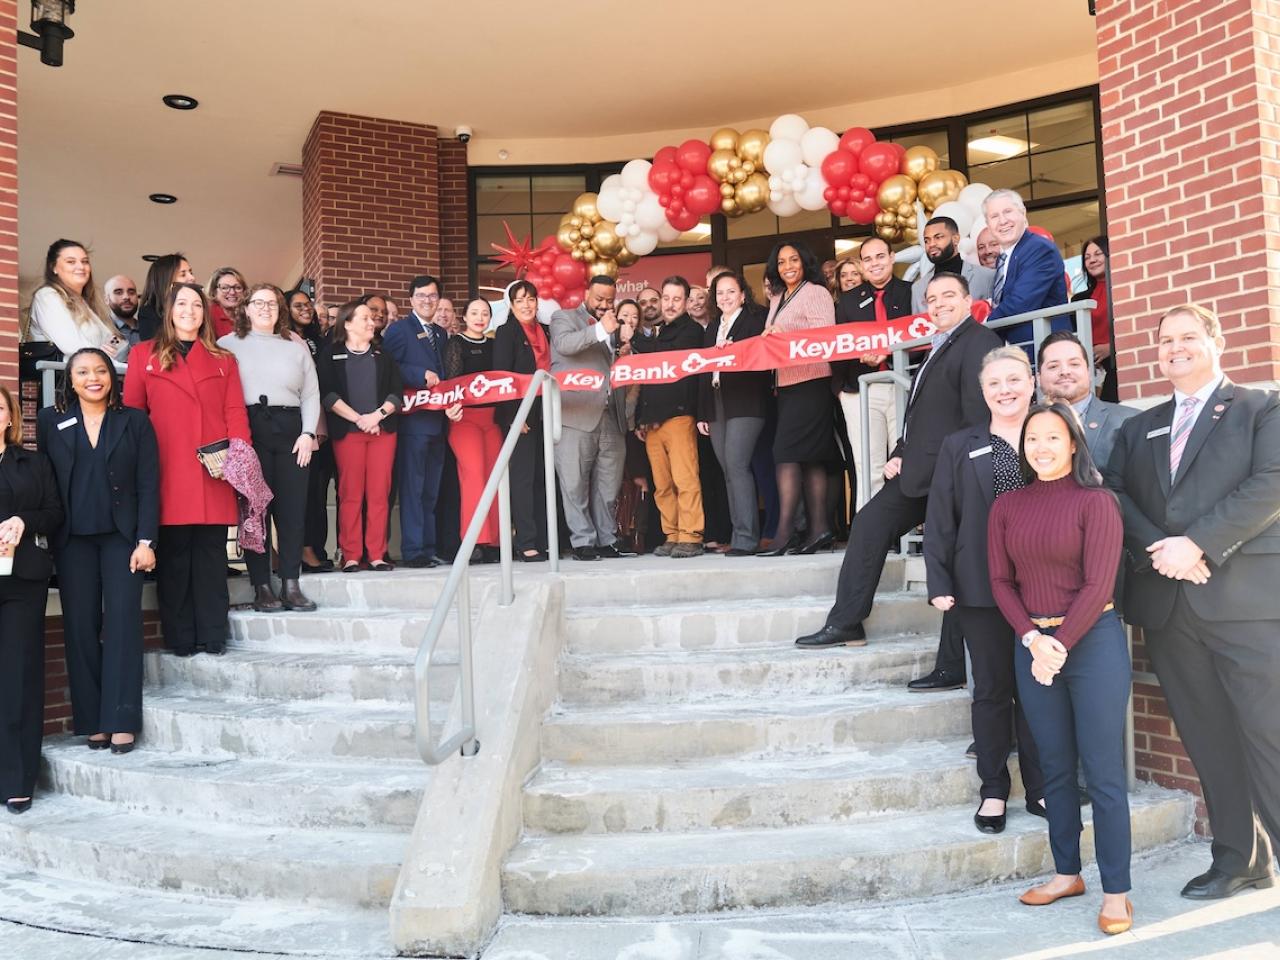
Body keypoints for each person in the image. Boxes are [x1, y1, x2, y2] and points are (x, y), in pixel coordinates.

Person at [1105, 303, 1280, 903]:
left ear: (1215, 339)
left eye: (1187, 337)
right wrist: (1163, 547)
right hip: (1170, 606)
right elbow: (1117, 494)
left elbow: (1272, 483)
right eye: (1164, 340)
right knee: (1207, 739)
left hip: (1245, 602)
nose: (1174, 347)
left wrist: (1198, 543)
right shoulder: (1140, 426)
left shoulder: (1261, 407)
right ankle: (1240, 859)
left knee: (1271, 734)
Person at [797, 274, 1002, 648]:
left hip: (954, 478)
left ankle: (952, 664)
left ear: (969, 299)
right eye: (932, 298)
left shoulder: (979, 342)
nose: (939, 304)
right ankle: (847, 622)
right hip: (920, 472)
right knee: (869, 524)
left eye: (948, 296)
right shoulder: (938, 344)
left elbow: (977, 419)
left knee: (956, 565)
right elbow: (925, 416)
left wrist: (960, 475)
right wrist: (900, 452)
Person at [988, 401, 1131, 936]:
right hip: (1034, 646)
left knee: (1104, 772)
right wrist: (1032, 638)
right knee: (1053, 767)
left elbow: (1099, 585)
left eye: (1052, 437)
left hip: (1092, 644)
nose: (1041, 447)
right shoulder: (1007, 505)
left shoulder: (1097, 502)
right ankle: (1067, 872)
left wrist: (1058, 645)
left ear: (1073, 444)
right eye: (1032, 439)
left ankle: (1116, 891)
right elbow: (1000, 581)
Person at [925, 347, 1045, 833]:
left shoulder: (1050, 433)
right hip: (979, 588)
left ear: (1031, 383)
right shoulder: (961, 443)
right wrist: (939, 580)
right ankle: (993, 789)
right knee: (992, 691)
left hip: (1042, 587)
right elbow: (940, 514)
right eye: (994, 383)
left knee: (1040, 691)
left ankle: (1041, 787)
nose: (1005, 390)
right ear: (982, 392)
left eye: (1014, 380)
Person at [38, 348, 158, 755]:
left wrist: (146, 540)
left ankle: (121, 719)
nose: (94, 378)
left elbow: (148, 483)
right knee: (80, 627)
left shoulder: (134, 421)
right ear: (70, 381)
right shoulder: (52, 420)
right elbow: (47, 482)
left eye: (101, 371)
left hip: (122, 540)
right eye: (84, 372)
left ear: (112, 377)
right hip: (72, 540)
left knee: (123, 623)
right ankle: (92, 720)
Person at [124, 282, 251, 657]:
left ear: (205, 313)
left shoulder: (224, 359)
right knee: (175, 559)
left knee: (212, 558)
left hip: (214, 468)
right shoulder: (142, 354)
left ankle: (213, 634)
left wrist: (237, 453)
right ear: (169, 310)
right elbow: (134, 415)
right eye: (182, 303)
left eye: (197, 305)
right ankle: (180, 637)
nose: (189, 311)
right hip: (166, 468)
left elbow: (234, 411)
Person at [218, 284, 319, 612]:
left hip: (292, 432)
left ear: (280, 309)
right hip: (249, 430)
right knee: (255, 511)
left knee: (292, 511)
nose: (265, 308)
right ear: (246, 308)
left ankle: (291, 583)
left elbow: (312, 394)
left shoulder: (296, 344)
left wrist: (308, 433)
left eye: (272, 303)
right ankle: (262, 585)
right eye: (258, 303)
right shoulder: (226, 345)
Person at [0, 385, 62, 814]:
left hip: (21, 582)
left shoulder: (33, 462)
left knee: (18, 678)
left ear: (8, 417)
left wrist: (24, 519)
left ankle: (18, 778)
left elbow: (55, 513)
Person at [759, 242, 838, 557]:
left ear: (805, 262)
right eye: (781, 261)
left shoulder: (816, 292)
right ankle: (819, 530)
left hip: (812, 381)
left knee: (786, 454)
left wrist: (784, 335)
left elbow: (825, 335)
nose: (787, 265)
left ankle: (785, 532)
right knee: (808, 457)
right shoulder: (778, 297)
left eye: (794, 259)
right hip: (788, 385)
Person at [550, 276, 633, 561]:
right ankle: (582, 541)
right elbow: (565, 345)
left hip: (612, 415)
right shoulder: (564, 318)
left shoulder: (616, 325)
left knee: (609, 486)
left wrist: (625, 349)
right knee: (574, 484)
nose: (604, 305)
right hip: (576, 414)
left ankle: (607, 540)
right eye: (599, 299)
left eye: (609, 300)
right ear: (586, 294)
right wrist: (601, 330)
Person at [317, 300, 403, 573]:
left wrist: (376, 416)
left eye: (372, 318)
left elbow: (396, 393)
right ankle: (351, 554)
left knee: (379, 494)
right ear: (348, 323)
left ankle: (377, 553)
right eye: (364, 317)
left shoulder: (383, 355)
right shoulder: (331, 354)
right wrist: (359, 419)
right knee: (350, 494)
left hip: (382, 431)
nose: (371, 321)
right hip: (349, 433)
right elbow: (328, 395)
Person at [632, 276, 706, 558]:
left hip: (678, 417)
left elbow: (661, 357)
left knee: (685, 479)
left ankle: (691, 536)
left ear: (687, 302)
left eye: (677, 299)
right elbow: (646, 380)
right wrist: (641, 417)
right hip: (651, 422)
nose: (671, 304)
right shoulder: (659, 333)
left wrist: (634, 337)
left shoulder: (691, 332)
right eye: (667, 298)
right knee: (662, 485)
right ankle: (672, 534)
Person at [696, 270, 769, 555]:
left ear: (742, 294)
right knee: (728, 470)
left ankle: (747, 539)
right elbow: (703, 370)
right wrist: (703, 412)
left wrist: (735, 350)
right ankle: (739, 535)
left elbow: (760, 358)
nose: (725, 297)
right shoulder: (713, 327)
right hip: (715, 403)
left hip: (745, 402)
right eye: (720, 293)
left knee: (737, 465)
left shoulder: (755, 320)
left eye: (730, 291)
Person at [836, 236, 910, 512]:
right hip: (860, 391)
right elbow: (836, 346)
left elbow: (925, 336)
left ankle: (908, 533)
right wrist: (840, 390)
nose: (875, 264)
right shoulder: (847, 301)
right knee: (869, 464)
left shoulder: (911, 292)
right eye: (867, 259)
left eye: (880, 256)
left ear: (892, 257)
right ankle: (871, 534)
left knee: (907, 460)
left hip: (904, 385)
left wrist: (890, 351)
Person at [382, 275, 447, 567]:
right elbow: (388, 368)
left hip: (439, 420)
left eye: (433, 296)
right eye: (421, 296)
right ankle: (413, 550)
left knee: (432, 489)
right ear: (411, 299)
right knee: (413, 488)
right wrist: (417, 374)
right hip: (413, 422)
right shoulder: (398, 330)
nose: (427, 301)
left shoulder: (441, 333)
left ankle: (429, 546)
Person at [492, 279, 551, 561]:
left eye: (531, 299)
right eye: (520, 300)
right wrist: (513, 416)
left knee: (543, 476)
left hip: (547, 410)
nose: (526, 305)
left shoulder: (546, 330)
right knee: (523, 478)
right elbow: (502, 376)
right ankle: (525, 541)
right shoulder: (506, 332)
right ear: (511, 305)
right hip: (520, 412)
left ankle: (544, 538)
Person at [443, 297, 502, 564]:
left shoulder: (494, 345)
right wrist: (451, 407)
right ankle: (474, 540)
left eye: (485, 313)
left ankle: (495, 541)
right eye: (474, 313)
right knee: (474, 476)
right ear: (464, 317)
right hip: (464, 418)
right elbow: (453, 382)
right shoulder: (455, 344)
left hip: (492, 420)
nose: (480, 317)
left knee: (495, 477)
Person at [1037, 330, 1137, 474]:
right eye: (1053, 366)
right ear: (1039, 377)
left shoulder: (1128, 422)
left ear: (1089, 372)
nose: (1065, 371)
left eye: (1074, 364)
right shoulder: (1027, 428)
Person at [983, 190, 1070, 354]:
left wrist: (983, 323)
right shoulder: (1006, 257)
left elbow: (1020, 302)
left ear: (1023, 213)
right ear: (988, 225)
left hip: (1046, 355)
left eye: (1008, 212)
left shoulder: (1039, 249)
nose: (1002, 221)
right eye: (994, 216)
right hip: (1018, 356)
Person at [286, 289, 334, 573]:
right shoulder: (285, 339)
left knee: (317, 493)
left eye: (308, 305)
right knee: (301, 494)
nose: (305, 309)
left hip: (321, 423)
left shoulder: (318, 340)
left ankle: (316, 547)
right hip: (300, 426)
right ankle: (303, 550)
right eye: (298, 305)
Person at [23, 239, 119, 363]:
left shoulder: (86, 303)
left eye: (85, 262)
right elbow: (71, 345)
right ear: (54, 267)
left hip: (92, 374)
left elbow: (113, 340)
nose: (80, 267)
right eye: (71, 262)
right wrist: (102, 353)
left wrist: (112, 349)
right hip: (63, 378)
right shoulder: (47, 296)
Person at [910, 216, 996, 314]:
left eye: (938, 237)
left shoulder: (987, 277)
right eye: (927, 240)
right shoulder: (918, 288)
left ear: (956, 239)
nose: (931, 244)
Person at [1072, 236, 1118, 402]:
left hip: (1119, 363)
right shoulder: (1079, 300)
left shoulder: (1122, 291)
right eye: (1087, 257)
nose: (1092, 260)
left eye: (1098, 254)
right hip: (1093, 368)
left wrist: (1111, 348)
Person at [137, 253, 196, 340]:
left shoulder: (197, 308)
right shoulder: (149, 313)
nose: (192, 278)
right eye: (183, 274)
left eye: (191, 272)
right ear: (166, 280)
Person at [104, 274, 142, 359]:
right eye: (118, 293)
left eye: (131, 292)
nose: (126, 297)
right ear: (106, 299)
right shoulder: (101, 329)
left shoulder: (150, 331)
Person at [206, 267, 245, 339]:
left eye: (238, 287)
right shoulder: (208, 316)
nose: (232, 292)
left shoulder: (249, 313)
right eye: (225, 288)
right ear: (214, 291)